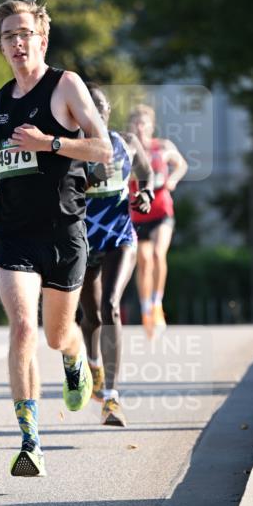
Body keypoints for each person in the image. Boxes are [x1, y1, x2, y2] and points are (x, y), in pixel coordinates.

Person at [0, 0, 112, 477]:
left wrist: (50, 143)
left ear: (41, 39)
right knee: (23, 328)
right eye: (7, 36)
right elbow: (10, 168)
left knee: (56, 335)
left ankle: (75, 357)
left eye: (23, 33)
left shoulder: (65, 85)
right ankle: (30, 440)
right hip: (13, 232)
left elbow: (103, 147)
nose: (15, 43)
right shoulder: (2, 97)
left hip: (64, 231)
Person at [80, 85, 154, 428]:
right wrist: (87, 179)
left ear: (108, 110)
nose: (95, 113)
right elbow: (55, 195)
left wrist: (147, 195)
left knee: (110, 305)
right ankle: (93, 366)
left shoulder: (126, 142)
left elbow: (146, 173)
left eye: (100, 106)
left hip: (120, 238)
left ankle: (111, 397)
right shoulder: (71, 150)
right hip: (82, 242)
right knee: (90, 317)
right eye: (87, 108)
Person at [128, 104, 188, 334]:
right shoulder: (130, 151)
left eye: (144, 124)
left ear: (151, 126)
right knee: (143, 262)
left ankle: (156, 303)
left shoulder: (162, 147)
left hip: (162, 211)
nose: (140, 128)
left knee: (157, 254)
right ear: (131, 127)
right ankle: (145, 309)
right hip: (138, 214)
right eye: (136, 124)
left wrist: (172, 179)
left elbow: (181, 164)